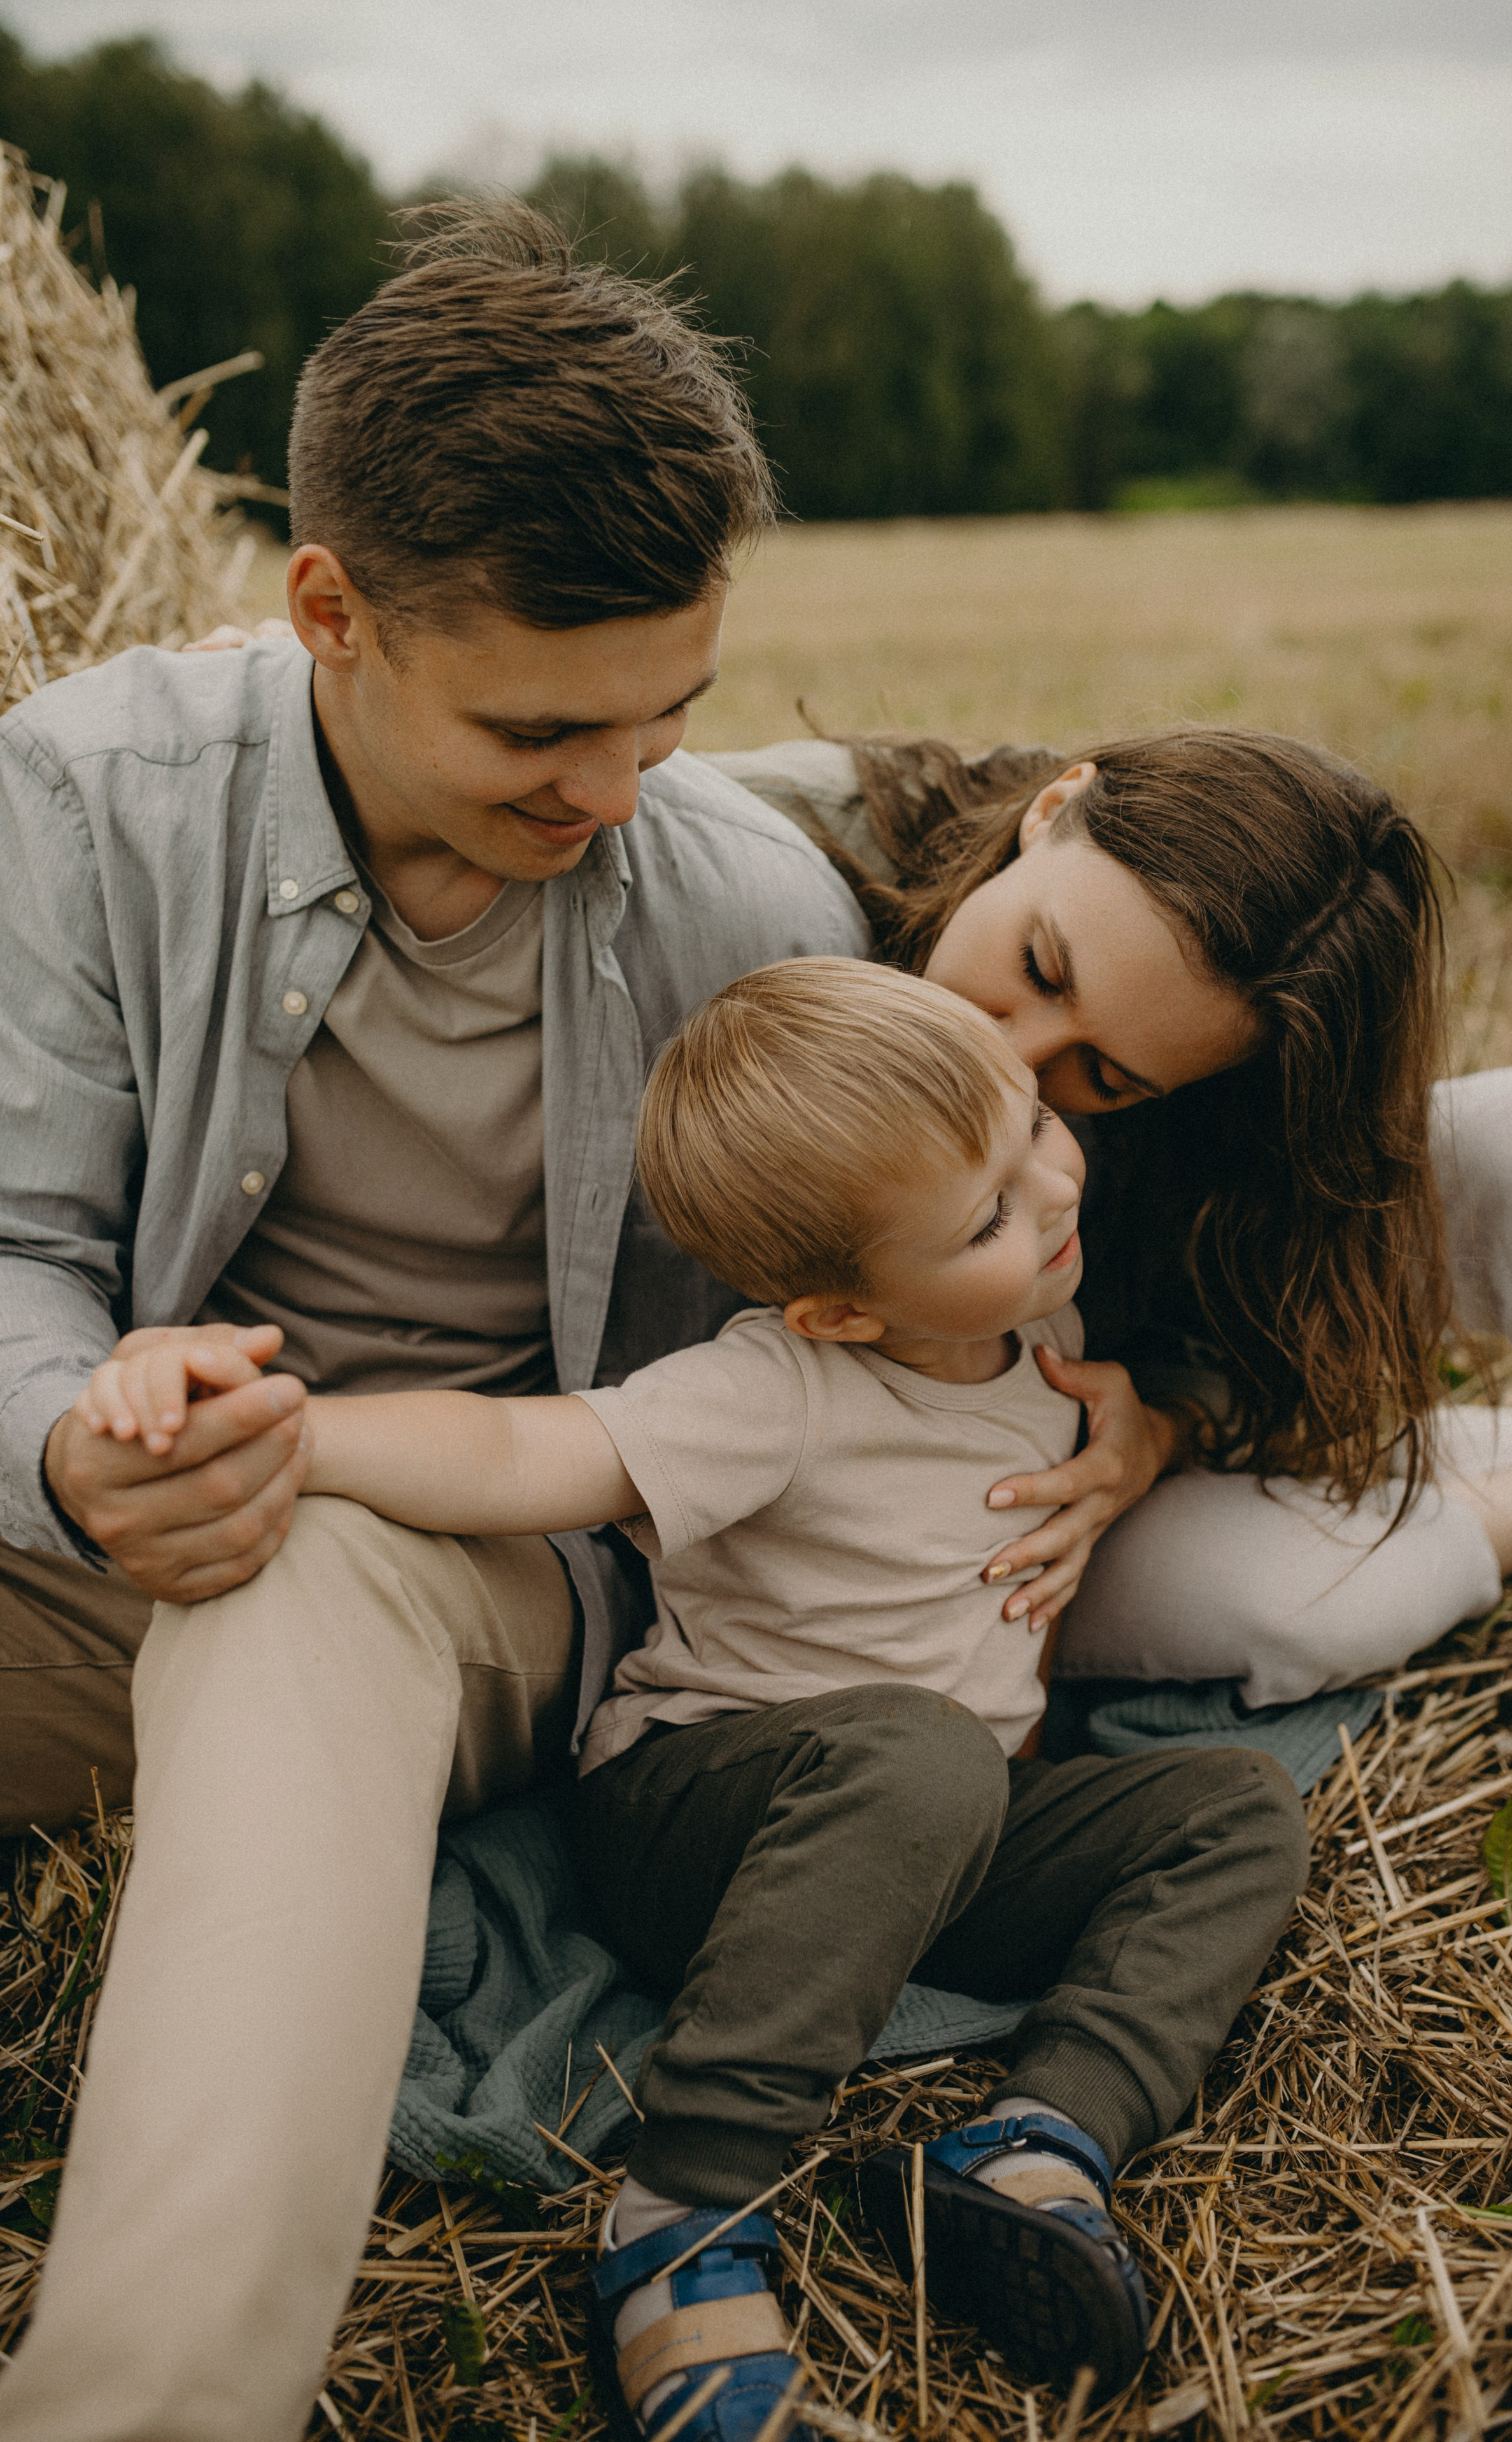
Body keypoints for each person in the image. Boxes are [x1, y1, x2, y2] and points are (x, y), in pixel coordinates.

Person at [0, 201, 869, 2442]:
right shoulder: (89, 802)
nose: (616, 790)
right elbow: (8, 1241)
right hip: (94, 1533)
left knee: (302, 1560)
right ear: (330, 610)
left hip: (471, 1578)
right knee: (228, 1539)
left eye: (670, 715)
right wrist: (69, 1440)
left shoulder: (750, 908)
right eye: (542, 730)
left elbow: (919, 1272)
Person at [77, 959, 1311, 2434]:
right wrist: (300, 1434)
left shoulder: (1043, 1320)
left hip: (941, 1829)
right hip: (710, 1814)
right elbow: (525, 1456)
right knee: (918, 1758)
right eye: (984, 1213)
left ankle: (1038, 2135)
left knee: (1233, 1803)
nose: (1050, 1190)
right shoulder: (777, 1389)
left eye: (1033, 1126)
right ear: (841, 1311)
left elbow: (1221, 1376)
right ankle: (682, 2210)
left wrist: (1152, 1425)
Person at [709, 729, 1512, 1700]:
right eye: (1041, 966)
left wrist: (1160, 1431)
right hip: (867, 1547)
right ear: (1055, 806)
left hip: (1049, 1448)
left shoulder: (1209, 1109)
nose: (1011, 1062)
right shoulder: (776, 852)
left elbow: (1237, 1318)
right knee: (1310, 1600)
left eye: (1103, 1076)